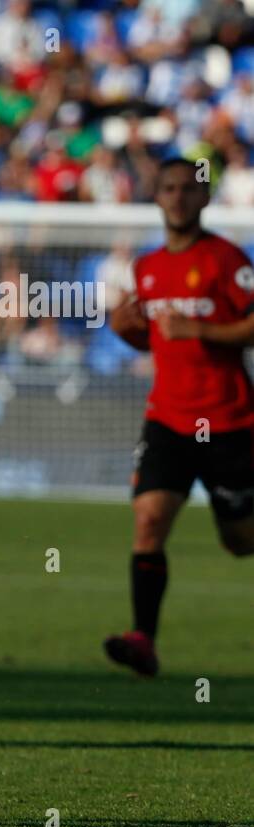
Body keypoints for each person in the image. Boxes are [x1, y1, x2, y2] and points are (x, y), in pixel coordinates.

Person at [104, 157, 254, 676]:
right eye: (168, 189)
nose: (178, 198)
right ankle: (143, 638)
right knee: (148, 521)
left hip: (231, 421)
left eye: (189, 189)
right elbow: (153, 336)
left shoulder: (227, 260)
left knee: (240, 542)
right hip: (167, 418)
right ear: (158, 196)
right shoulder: (145, 268)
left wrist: (204, 333)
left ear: (206, 198)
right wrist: (122, 329)